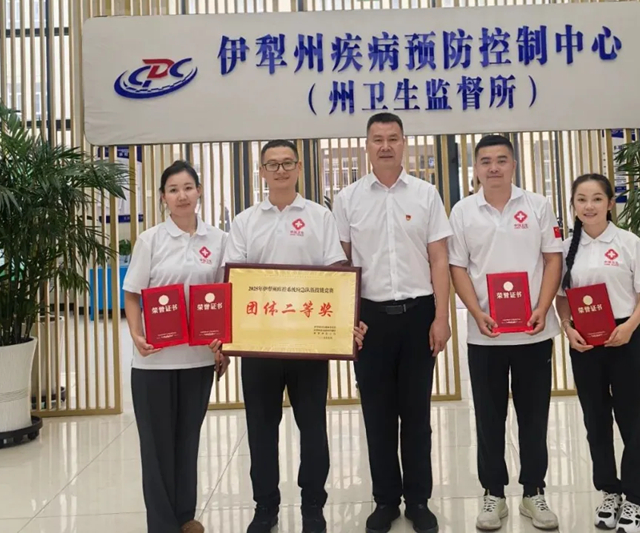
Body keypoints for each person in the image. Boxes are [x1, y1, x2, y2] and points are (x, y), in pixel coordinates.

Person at [221, 139, 367, 533]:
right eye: (273, 164)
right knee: (261, 430)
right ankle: (265, 507)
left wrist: (348, 319)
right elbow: (234, 282)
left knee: (313, 427)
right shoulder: (245, 222)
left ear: (299, 168)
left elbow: (336, 274)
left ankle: (313, 506)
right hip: (258, 346)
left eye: (288, 163)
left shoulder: (319, 217)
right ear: (262, 172)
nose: (281, 170)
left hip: (309, 345)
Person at [331, 112, 452, 533]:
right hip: (370, 321)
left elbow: (439, 258)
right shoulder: (347, 199)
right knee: (377, 415)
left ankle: (418, 500)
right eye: (377, 139)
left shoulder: (426, 194)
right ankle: (385, 500)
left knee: (416, 414)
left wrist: (441, 317)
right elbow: (341, 264)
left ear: (404, 143)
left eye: (393, 138)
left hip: (418, 316)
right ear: (366, 145)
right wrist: (349, 320)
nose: (385, 146)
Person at [447, 135, 562, 531]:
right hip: (486, 334)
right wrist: (475, 311)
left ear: (513, 164)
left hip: (534, 331)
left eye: (501, 160)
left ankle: (534, 492)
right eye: (485, 161)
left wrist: (543, 307)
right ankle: (493, 493)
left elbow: (552, 260)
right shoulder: (462, 211)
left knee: (534, 416)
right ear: (476, 168)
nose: (493, 167)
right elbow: (457, 267)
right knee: (489, 417)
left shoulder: (538, 205)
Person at [122, 160, 230, 533]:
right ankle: (162, 525)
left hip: (198, 361)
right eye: (173, 189)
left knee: (187, 441)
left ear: (199, 191)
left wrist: (222, 345)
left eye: (187, 187)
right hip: (154, 363)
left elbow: (223, 296)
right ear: (163, 197)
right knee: (156, 449)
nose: (181, 195)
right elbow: (132, 294)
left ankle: (185, 517)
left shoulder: (218, 240)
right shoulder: (151, 239)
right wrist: (136, 335)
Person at [555, 174, 640, 533]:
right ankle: (609, 491)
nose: (589, 206)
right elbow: (562, 297)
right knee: (595, 420)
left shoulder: (629, 242)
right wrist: (567, 328)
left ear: (610, 204)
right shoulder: (566, 248)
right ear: (573, 205)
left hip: (624, 336)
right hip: (585, 342)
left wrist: (629, 327)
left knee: (632, 419)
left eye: (597, 198)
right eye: (581, 199)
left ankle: (636, 500)